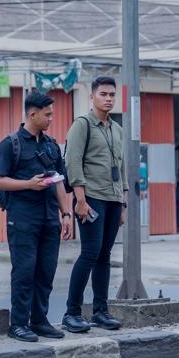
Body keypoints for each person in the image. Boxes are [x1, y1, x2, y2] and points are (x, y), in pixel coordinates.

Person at [0, 90, 75, 342]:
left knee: (46, 272)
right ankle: (18, 324)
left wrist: (66, 213)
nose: (51, 118)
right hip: (22, 218)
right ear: (32, 114)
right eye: (47, 114)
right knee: (24, 272)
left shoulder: (51, 145)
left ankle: (39, 321)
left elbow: (58, 181)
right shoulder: (10, 144)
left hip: (49, 217)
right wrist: (28, 184)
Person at [61, 76, 128, 333]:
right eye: (103, 94)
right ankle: (72, 313)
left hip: (112, 199)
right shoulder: (82, 125)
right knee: (90, 253)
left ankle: (100, 311)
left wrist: (123, 203)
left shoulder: (116, 129)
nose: (108, 98)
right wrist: (79, 199)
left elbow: (120, 167)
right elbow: (73, 162)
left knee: (105, 255)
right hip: (91, 199)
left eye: (112, 94)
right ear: (92, 97)